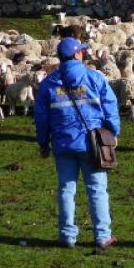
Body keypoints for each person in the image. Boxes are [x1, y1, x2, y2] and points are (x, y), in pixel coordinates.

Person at [34, 37, 121, 249]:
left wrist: (43, 143)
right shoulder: (94, 78)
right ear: (76, 54)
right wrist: (113, 131)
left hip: (63, 144)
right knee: (97, 189)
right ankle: (102, 236)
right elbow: (110, 105)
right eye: (81, 51)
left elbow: (41, 117)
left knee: (66, 189)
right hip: (92, 144)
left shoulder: (48, 84)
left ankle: (67, 236)